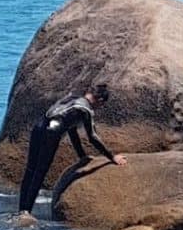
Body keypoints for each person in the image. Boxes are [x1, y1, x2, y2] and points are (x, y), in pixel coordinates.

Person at [17, 84, 127, 217]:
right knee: (39, 172)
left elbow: (72, 130)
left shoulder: (71, 98)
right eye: (101, 105)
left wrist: (81, 156)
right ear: (100, 101)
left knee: (30, 170)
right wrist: (112, 157)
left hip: (38, 128)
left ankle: (21, 210)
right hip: (51, 134)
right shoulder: (85, 110)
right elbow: (93, 137)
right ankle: (26, 213)